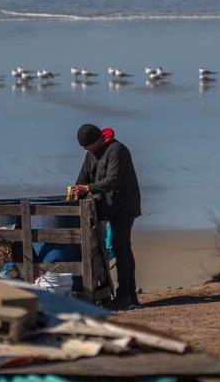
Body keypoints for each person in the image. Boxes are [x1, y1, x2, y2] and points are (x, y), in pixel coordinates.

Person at [73, 123, 141, 309]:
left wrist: (88, 188)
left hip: (124, 206)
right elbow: (81, 180)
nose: (86, 149)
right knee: (101, 247)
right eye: (83, 147)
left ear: (98, 140)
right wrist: (77, 190)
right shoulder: (90, 155)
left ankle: (126, 295)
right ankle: (114, 294)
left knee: (121, 247)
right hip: (103, 206)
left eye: (88, 145)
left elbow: (113, 180)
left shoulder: (117, 150)